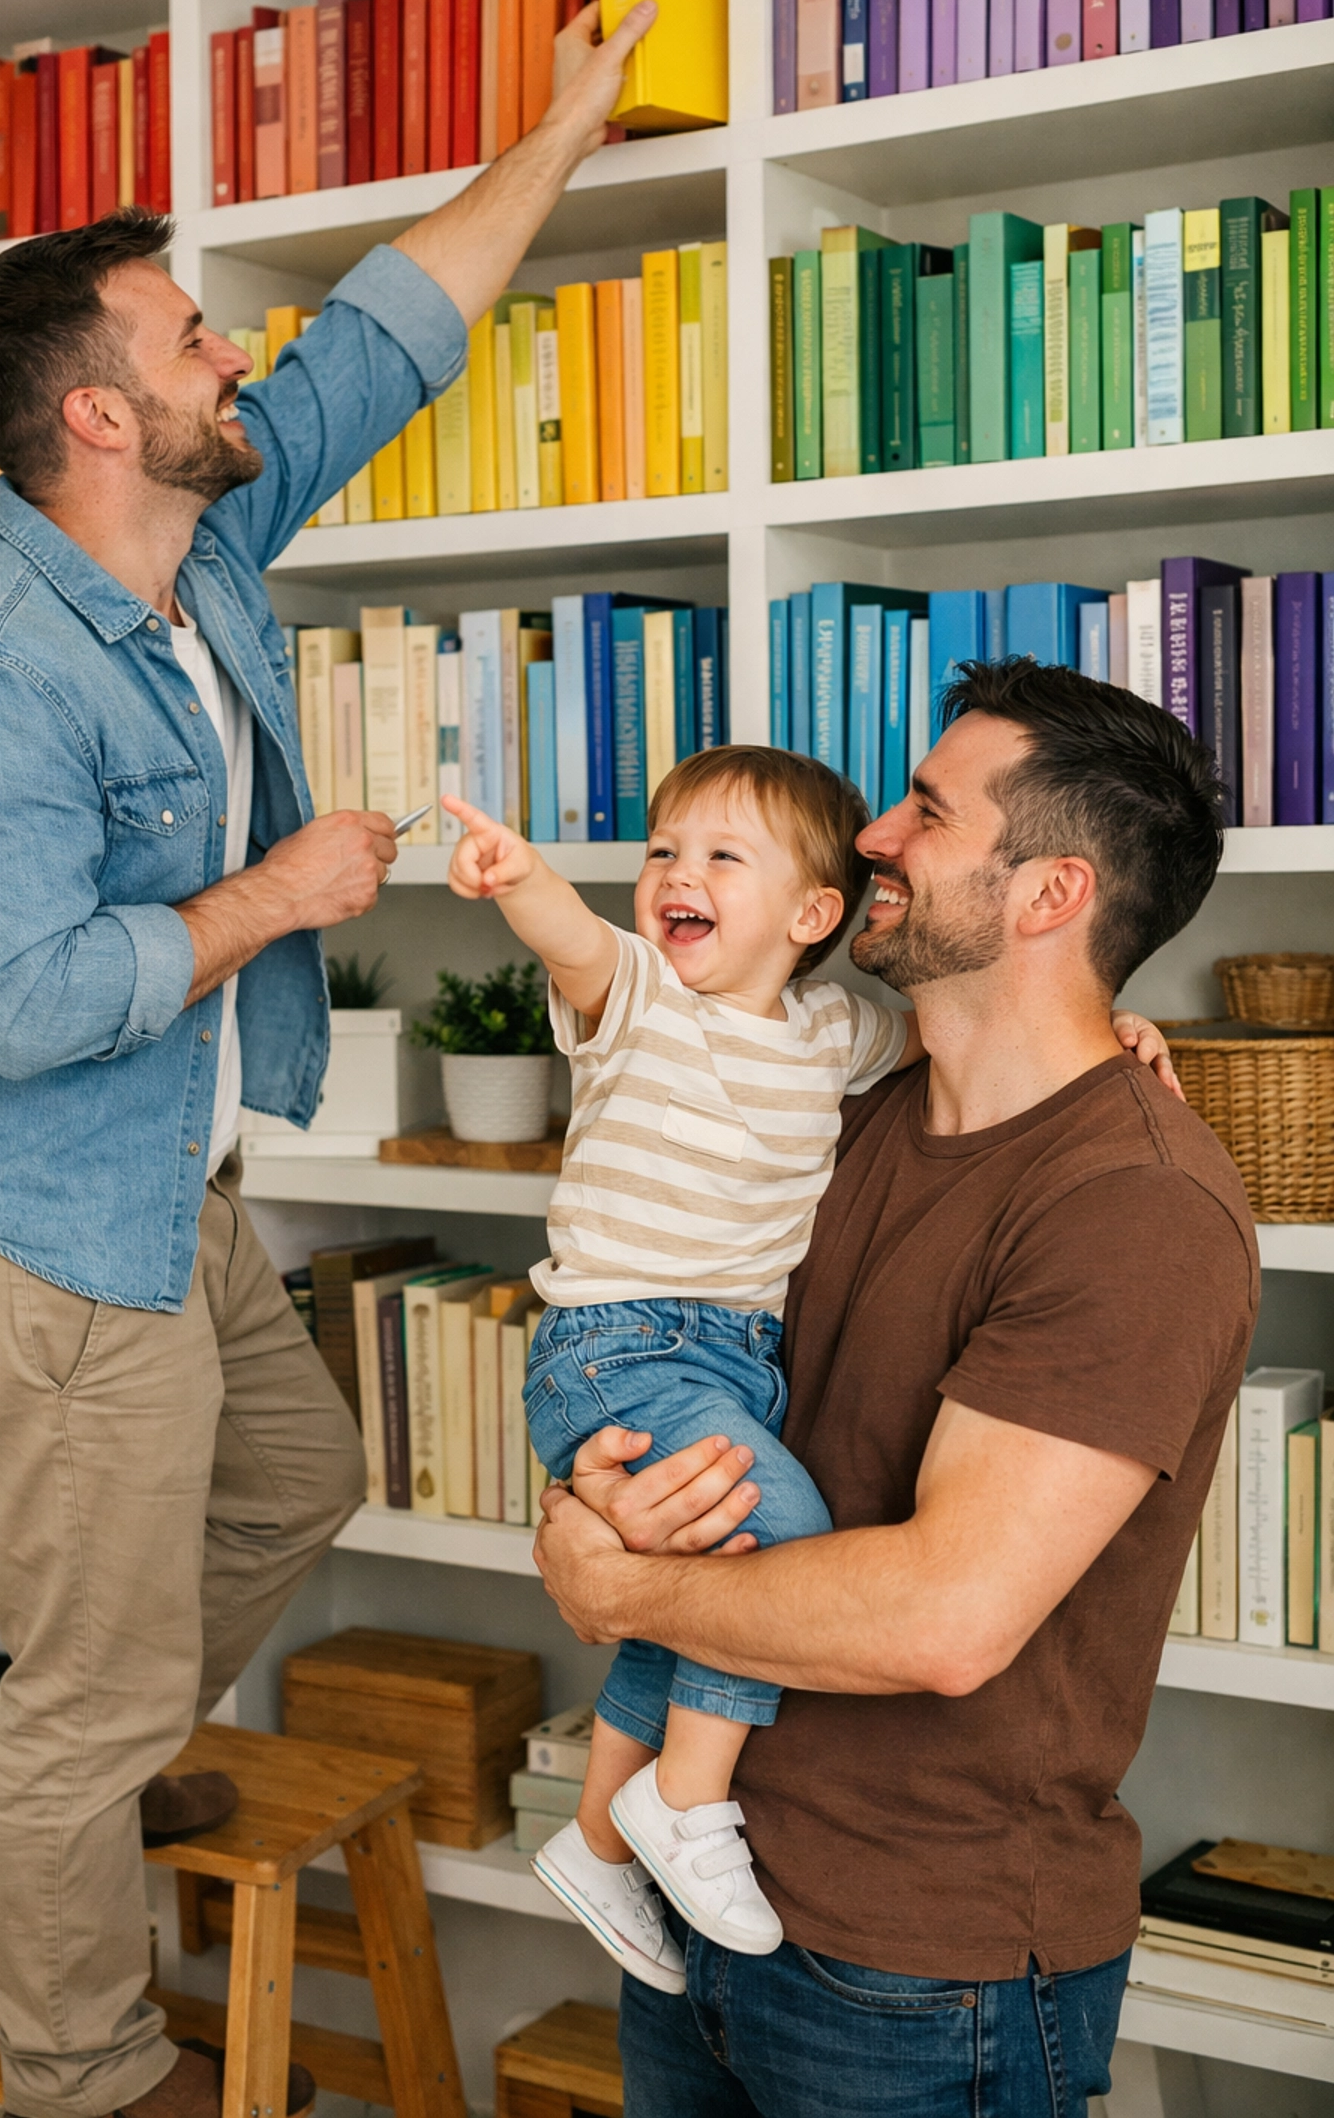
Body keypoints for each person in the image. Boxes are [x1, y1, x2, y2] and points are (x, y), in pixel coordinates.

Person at [0, 0, 657, 2118]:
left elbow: (390, 333)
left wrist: (565, 127)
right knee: (94, 1700)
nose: (239, 359)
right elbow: (26, 1006)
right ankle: (89, 2061)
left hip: (166, 1196)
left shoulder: (193, 538)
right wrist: (278, 898)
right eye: (195, 338)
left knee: (303, 1482)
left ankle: (97, 1756)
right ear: (99, 414)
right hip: (32, 1239)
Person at [530, 660, 1260, 2118]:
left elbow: (944, 1620)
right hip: (705, 1909)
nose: (872, 836)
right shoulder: (830, 1115)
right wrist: (585, 1496)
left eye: (926, 811)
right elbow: (655, 1359)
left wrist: (610, 1587)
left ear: (1048, 895)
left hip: (926, 1975)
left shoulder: (1137, 1204)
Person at [440, 737, 1177, 1996]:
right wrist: (519, 875)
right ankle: (681, 1813)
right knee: (770, 1529)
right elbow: (571, 939)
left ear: (812, 914)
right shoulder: (643, 999)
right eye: (666, 851)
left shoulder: (843, 1040)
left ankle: (615, 1834)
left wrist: (1106, 1023)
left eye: (723, 856)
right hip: (625, 1341)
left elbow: (985, 1030)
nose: (678, 873)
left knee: (721, 1560)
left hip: (921, 1950)